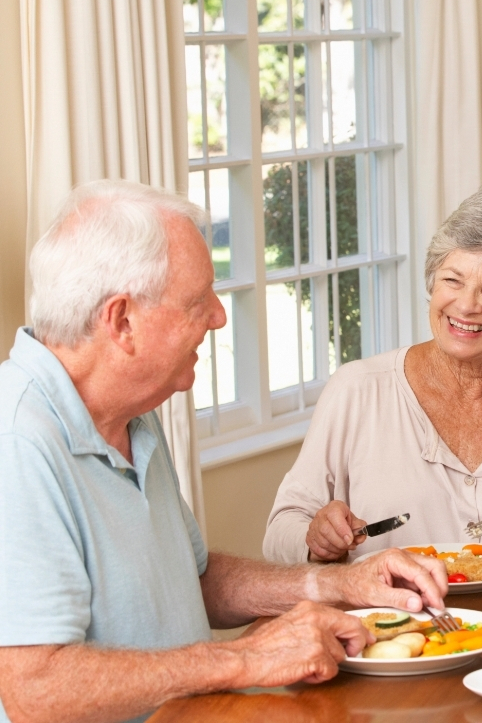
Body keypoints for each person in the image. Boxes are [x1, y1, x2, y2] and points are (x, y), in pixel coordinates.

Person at [0, 181, 449, 723]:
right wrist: (244, 658)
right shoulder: (18, 443)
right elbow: (35, 689)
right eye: (197, 302)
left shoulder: (131, 413)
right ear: (122, 322)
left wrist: (338, 584)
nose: (218, 316)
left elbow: (194, 580)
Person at [264, 181, 482, 564]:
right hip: (384, 621)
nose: (466, 305)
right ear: (432, 282)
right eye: (452, 280)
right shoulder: (359, 391)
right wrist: (315, 539)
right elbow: (279, 532)